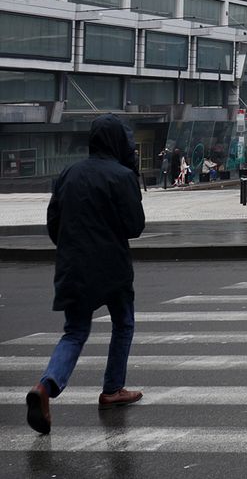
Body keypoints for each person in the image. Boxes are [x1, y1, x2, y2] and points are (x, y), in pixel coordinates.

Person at [26, 114, 146, 435]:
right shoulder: (122, 175)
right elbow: (135, 226)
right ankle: (112, 389)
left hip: (74, 266)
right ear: (118, 142)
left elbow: (54, 223)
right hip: (113, 268)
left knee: (75, 332)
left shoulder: (69, 173)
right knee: (123, 323)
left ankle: (45, 386)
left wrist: (73, 248)